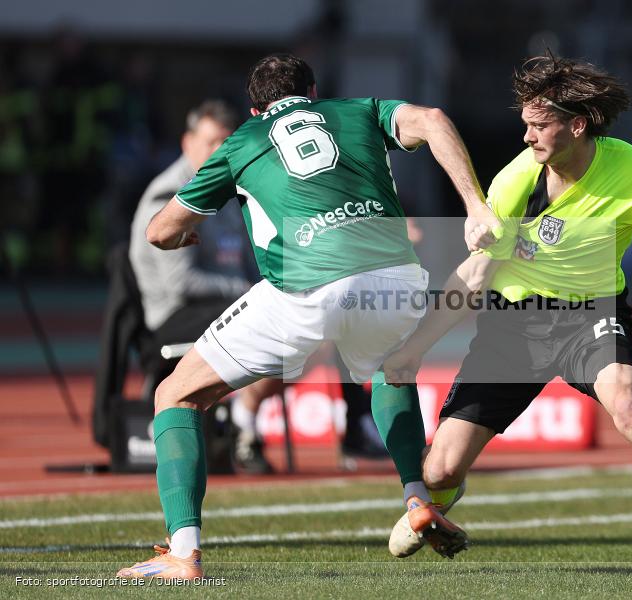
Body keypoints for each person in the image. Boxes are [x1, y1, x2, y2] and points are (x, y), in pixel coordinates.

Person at [117, 53, 498, 580]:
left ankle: (183, 553)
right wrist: (476, 207)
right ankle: (416, 498)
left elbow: (160, 231)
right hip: (395, 277)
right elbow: (432, 119)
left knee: (175, 394)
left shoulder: (243, 141)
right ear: (314, 92)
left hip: (307, 288)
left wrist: (188, 230)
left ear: (255, 109)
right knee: (392, 365)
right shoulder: (360, 110)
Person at [384, 54, 632, 585]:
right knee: (440, 469)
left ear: (577, 125)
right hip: (512, 327)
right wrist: (415, 349)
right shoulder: (511, 183)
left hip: (592, 316)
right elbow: (475, 275)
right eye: (524, 123)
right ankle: (434, 501)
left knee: (630, 408)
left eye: (538, 124)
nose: (527, 136)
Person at [129, 99, 278, 474]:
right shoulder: (167, 195)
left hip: (221, 303)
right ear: (187, 142)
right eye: (211, 142)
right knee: (275, 320)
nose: (219, 151)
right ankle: (243, 423)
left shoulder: (230, 187)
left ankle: (246, 418)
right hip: (174, 315)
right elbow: (182, 284)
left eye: (226, 142)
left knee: (309, 313)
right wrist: (246, 289)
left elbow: (251, 262)